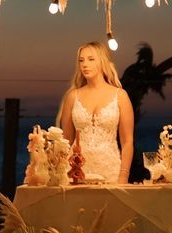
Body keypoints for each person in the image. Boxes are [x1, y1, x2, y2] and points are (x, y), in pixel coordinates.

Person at [56, 40, 133, 184]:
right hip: (76, 172)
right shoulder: (72, 96)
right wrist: (59, 172)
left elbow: (127, 141)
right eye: (81, 60)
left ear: (102, 61)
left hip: (110, 171)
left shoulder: (120, 96)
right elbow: (66, 141)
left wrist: (123, 176)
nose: (85, 64)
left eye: (91, 59)